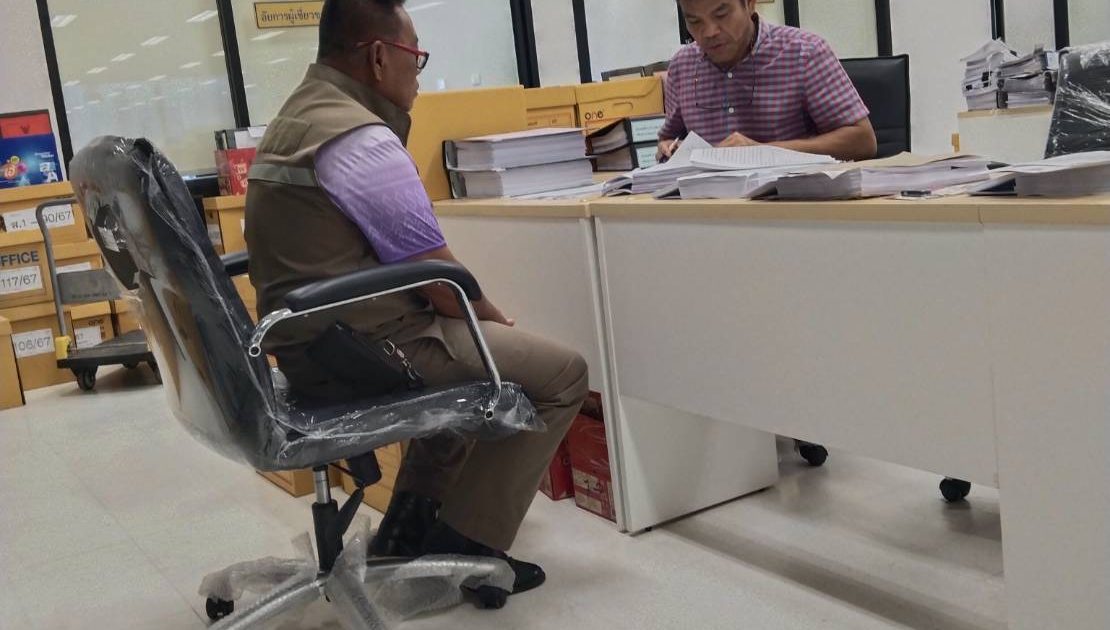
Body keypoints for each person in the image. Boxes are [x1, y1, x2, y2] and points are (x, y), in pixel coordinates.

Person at [243, 0, 589, 602]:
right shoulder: (358, 138)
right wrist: (492, 319)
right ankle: (470, 549)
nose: (420, 75)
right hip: (360, 348)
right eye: (416, 57)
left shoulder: (295, 119)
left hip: (310, 345)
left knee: (458, 366)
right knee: (561, 374)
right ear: (379, 57)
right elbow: (438, 275)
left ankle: (408, 530)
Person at [659, 0, 877, 162]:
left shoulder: (804, 52)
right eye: (694, 21)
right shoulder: (682, 65)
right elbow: (668, 139)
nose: (709, 32)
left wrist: (763, 152)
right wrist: (668, 147)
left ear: (750, 4)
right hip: (709, 205)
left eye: (721, 15)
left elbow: (863, 142)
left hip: (790, 201)